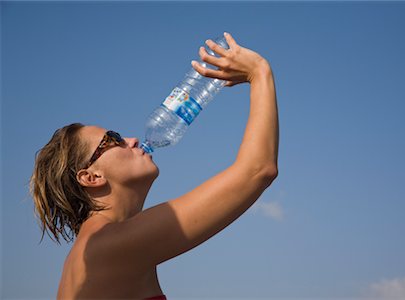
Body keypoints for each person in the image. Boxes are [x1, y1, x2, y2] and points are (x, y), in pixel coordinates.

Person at [30, 32, 278, 300]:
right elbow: (257, 171)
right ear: (91, 176)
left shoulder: (97, 248)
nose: (132, 140)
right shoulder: (109, 245)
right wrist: (259, 72)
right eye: (112, 140)